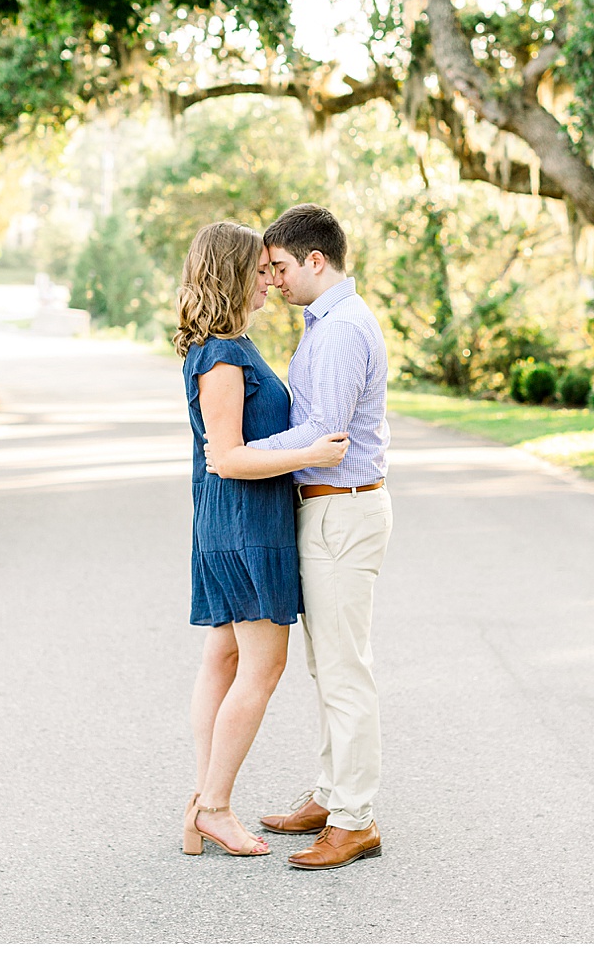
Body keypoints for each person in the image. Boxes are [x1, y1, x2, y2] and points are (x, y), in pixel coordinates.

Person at [206, 203, 392, 872]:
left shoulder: (340, 330)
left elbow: (323, 434)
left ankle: (354, 820)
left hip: (341, 509)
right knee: (328, 666)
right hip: (326, 509)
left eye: (281, 266)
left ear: (317, 260)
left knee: (344, 670)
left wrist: (236, 453)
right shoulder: (326, 324)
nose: (274, 279)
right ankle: (330, 793)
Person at [175, 221, 350, 858]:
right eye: (258, 271)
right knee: (263, 666)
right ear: (231, 275)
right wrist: (310, 453)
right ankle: (215, 806)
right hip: (247, 523)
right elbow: (227, 457)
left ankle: (202, 801)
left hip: (233, 519)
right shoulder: (223, 356)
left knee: (224, 657)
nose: (270, 282)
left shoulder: (228, 346)